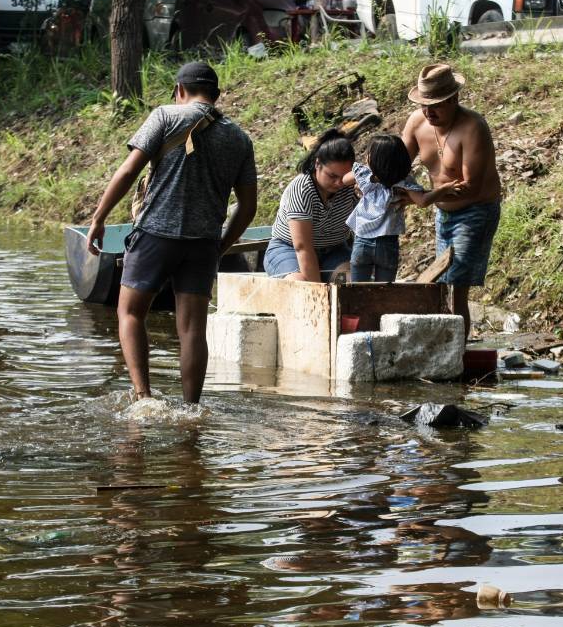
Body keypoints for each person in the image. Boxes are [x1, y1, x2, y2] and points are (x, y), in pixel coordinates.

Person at [84, 61, 257, 404]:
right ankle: (191, 407)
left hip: (155, 235)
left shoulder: (165, 116)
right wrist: (220, 245)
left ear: (179, 91)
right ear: (216, 96)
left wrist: (98, 218)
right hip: (204, 243)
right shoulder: (239, 138)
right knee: (192, 328)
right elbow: (247, 206)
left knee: (131, 313)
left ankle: (143, 397)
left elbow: (129, 170)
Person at [402, 63, 502, 339]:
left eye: (436, 105)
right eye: (424, 105)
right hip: (442, 212)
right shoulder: (417, 123)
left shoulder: (472, 128)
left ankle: (457, 352)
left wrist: (422, 198)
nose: (428, 112)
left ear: (454, 99)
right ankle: (445, 345)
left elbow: (470, 187)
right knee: (442, 285)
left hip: (475, 210)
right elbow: (397, 166)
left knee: (456, 284)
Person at [343, 133, 464, 283]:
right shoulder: (403, 180)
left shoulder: (364, 174)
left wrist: (366, 173)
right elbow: (422, 201)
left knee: (357, 290)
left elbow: (345, 179)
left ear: (372, 159)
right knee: (385, 290)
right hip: (387, 244)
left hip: (362, 241)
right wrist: (444, 189)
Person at [264, 129, 359, 282]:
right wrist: (317, 292)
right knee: (300, 285)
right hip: (288, 250)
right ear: (317, 164)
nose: (339, 183)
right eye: (332, 176)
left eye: (344, 176)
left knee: (350, 283)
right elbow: (302, 247)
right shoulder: (302, 189)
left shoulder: (352, 186)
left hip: (334, 251)